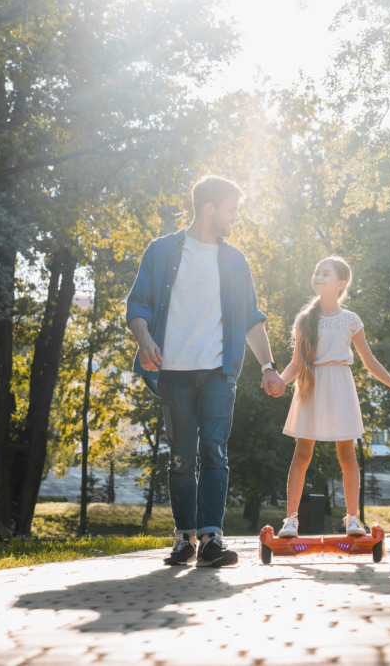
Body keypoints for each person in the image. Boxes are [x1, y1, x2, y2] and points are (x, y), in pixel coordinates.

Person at [126, 175, 284, 568]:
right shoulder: (162, 251)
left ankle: (211, 538)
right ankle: (184, 540)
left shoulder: (234, 260)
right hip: (173, 372)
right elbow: (138, 306)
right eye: (232, 210)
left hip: (218, 371)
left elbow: (251, 318)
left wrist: (268, 366)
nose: (235, 218)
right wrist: (144, 340)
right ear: (210, 208)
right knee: (180, 457)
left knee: (214, 452)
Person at [274, 256, 390, 539]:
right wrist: (280, 381)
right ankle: (291, 520)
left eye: (325, 273)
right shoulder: (305, 320)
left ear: (340, 285)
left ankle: (352, 519)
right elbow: (295, 363)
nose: (318, 275)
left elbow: (370, 362)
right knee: (302, 454)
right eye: (316, 271)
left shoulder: (351, 320)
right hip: (311, 386)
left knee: (347, 454)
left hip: (340, 386)